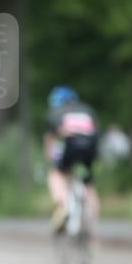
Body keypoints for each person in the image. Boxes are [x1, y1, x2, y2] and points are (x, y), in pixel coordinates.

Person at [44, 86, 99, 234]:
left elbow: (50, 141)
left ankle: (63, 206)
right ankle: (92, 221)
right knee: (88, 183)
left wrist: (51, 158)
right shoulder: (87, 110)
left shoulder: (56, 112)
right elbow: (96, 130)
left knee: (56, 174)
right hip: (91, 145)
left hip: (71, 144)